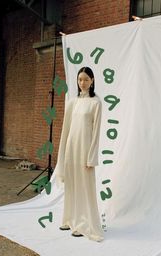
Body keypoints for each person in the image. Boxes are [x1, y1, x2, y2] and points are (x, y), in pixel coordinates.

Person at [54, 66, 104, 242]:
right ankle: (69, 219)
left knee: (84, 186)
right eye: (80, 79)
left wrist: (91, 157)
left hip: (85, 151)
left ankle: (83, 223)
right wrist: (62, 154)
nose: (82, 83)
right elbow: (65, 130)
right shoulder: (72, 102)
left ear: (92, 81)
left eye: (86, 79)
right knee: (72, 185)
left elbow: (96, 133)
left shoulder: (96, 103)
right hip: (71, 149)